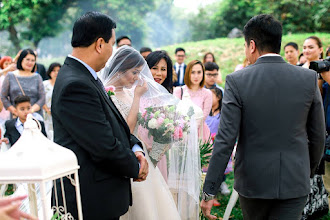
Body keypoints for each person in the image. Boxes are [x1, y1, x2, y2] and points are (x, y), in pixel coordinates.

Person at [201, 14, 325, 220]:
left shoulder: (237, 80)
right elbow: (318, 135)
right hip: (295, 180)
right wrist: (306, 171)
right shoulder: (308, 78)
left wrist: (209, 190)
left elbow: (225, 140)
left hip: (253, 183)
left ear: (251, 45)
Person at [51, 12, 148, 220]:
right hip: (90, 199)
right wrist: (135, 166)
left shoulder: (84, 76)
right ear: (100, 44)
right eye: (113, 44)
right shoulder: (75, 84)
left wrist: (135, 147)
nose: (113, 51)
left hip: (98, 195)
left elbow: (113, 124)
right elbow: (103, 145)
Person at [99, 46, 181, 220]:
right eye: (134, 73)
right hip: (124, 155)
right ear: (120, 70)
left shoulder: (128, 92)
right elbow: (125, 131)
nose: (137, 77)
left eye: (138, 73)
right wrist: (137, 97)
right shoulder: (108, 94)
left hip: (140, 152)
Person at [145, 50, 174, 181]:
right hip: (141, 152)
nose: (159, 73)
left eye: (163, 69)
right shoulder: (138, 93)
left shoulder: (167, 97)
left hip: (159, 154)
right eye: (154, 68)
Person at [173, 60, 212, 142]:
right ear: (188, 74)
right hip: (181, 135)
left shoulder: (207, 94)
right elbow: (175, 115)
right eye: (193, 72)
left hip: (200, 135)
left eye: (199, 72)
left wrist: (190, 132)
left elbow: (203, 117)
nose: (196, 76)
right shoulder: (179, 91)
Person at [1, 49, 45, 117]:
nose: (30, 62)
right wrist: (14, 110)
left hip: (34, 117)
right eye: (27, 59)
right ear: (21, 60)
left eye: (33, 60)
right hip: (16, 117)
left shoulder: (37, 77)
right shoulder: (10, 76)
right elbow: (3, 97)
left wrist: (31, 110)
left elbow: (42, 98)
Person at [42, 62, 61, 141]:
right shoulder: (44, 84)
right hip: (46, 113)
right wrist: (47, 109)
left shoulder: (62, 84)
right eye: (54, 71)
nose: (56, 73)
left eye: (58, 70)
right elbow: (41, 98)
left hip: (59, 113)